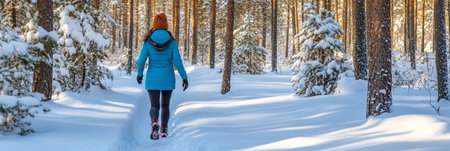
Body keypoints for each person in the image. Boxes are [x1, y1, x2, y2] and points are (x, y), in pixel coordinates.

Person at [136, 13, 188, 140]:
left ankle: (154, 122)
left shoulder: (148, 41)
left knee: (154, 106)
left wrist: (139, 74)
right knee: (165, 105)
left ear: (154, 24)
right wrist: (184, 77)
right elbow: (178, 61)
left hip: (152, 78)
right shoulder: (172, 41)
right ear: (166, 24)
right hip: (167, 78)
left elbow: (141, 61)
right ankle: (164, 129)